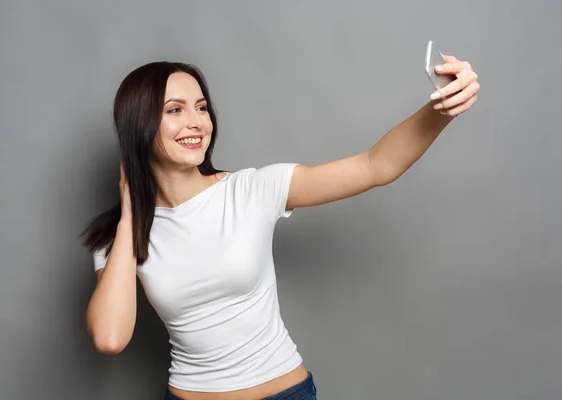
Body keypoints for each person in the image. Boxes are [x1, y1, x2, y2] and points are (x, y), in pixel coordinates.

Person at [82, 56, 480, 400]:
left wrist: (440, 109)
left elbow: (375, 166)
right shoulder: (119, 239)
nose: (196, 122)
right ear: (139, 125)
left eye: (201, 107)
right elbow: (110, 338)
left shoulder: (252, 189)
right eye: (175, 110)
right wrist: (132, 213)